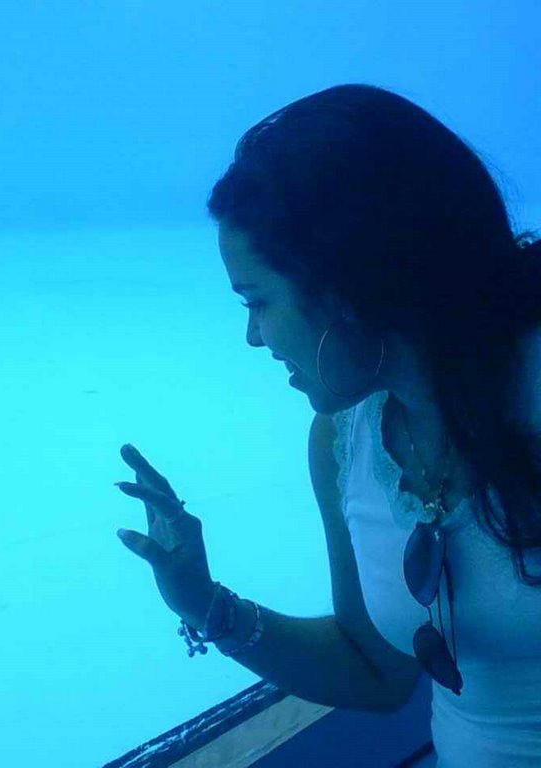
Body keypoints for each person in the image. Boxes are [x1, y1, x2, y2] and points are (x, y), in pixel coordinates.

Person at [115, 84, 541, 767]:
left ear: (346, 287)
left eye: (257, 300)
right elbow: (373, 670)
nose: (254, 337)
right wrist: (204, 601)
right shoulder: (346, 443)